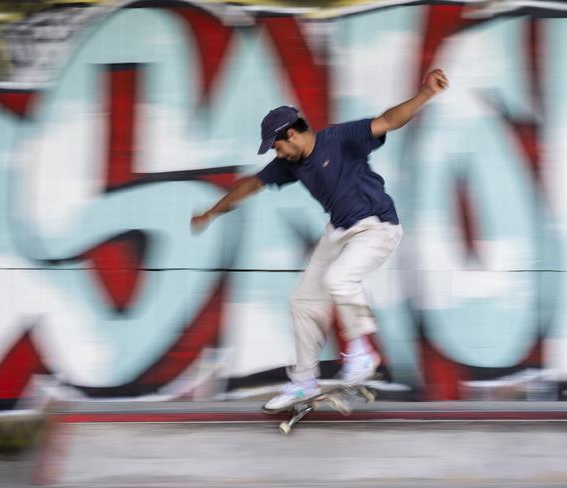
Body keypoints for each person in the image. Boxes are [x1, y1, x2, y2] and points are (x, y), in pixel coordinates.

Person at [191, 69, 448, 411]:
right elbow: (250, 185)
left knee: (339, 279)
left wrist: (426, 93)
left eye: (278, 146)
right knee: (302, 300)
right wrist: (211, 212)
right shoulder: (290, 165)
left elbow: (387, 120)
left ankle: (361, 354)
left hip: (377, 226)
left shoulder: (340, 138)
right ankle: (304, 381)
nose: (277, 154)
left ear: (293, 134)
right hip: (340, 232)